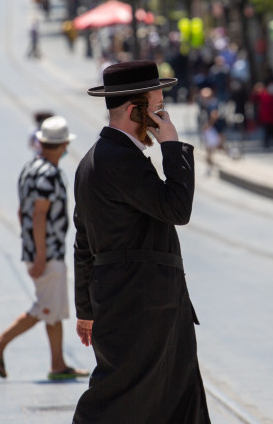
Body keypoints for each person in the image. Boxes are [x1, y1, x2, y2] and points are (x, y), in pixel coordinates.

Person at [73, 60, 210, 423]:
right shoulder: (119, 160)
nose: (164, 118)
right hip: (140, 305)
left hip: (133, 302)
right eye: (159, 109)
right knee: (119, 403)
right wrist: (172, 147)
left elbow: (83, 241)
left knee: (178, 400)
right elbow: (177, 208)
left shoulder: (94, 159)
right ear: (136, 109)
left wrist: (85, 308)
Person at [0, 116, 89, 381]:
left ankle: (57, 363)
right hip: (47, 251)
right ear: (63, 145)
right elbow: (39, 215)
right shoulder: (49, 174)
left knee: (53, 308)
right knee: (46, 307)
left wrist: (29, 246)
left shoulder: (29, 169)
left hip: (37, 249)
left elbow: (22, 212)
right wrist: (41, 253)